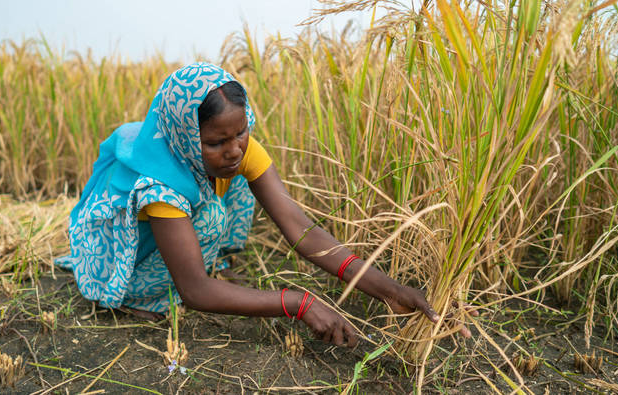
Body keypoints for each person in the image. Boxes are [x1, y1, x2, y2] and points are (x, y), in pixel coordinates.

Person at [56, 63, 465, 347]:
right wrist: (296, 303)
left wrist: (387, 289)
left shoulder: (235, 147)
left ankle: (213, 259)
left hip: (177, 234)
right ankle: (137, 297)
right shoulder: (160, 185)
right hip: (125, 263)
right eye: (216, 141)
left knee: (230, 182)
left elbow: (301, 231)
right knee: (212, 212)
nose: (234, 150)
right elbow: (195, 291)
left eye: (241, 133)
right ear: (183, 133)